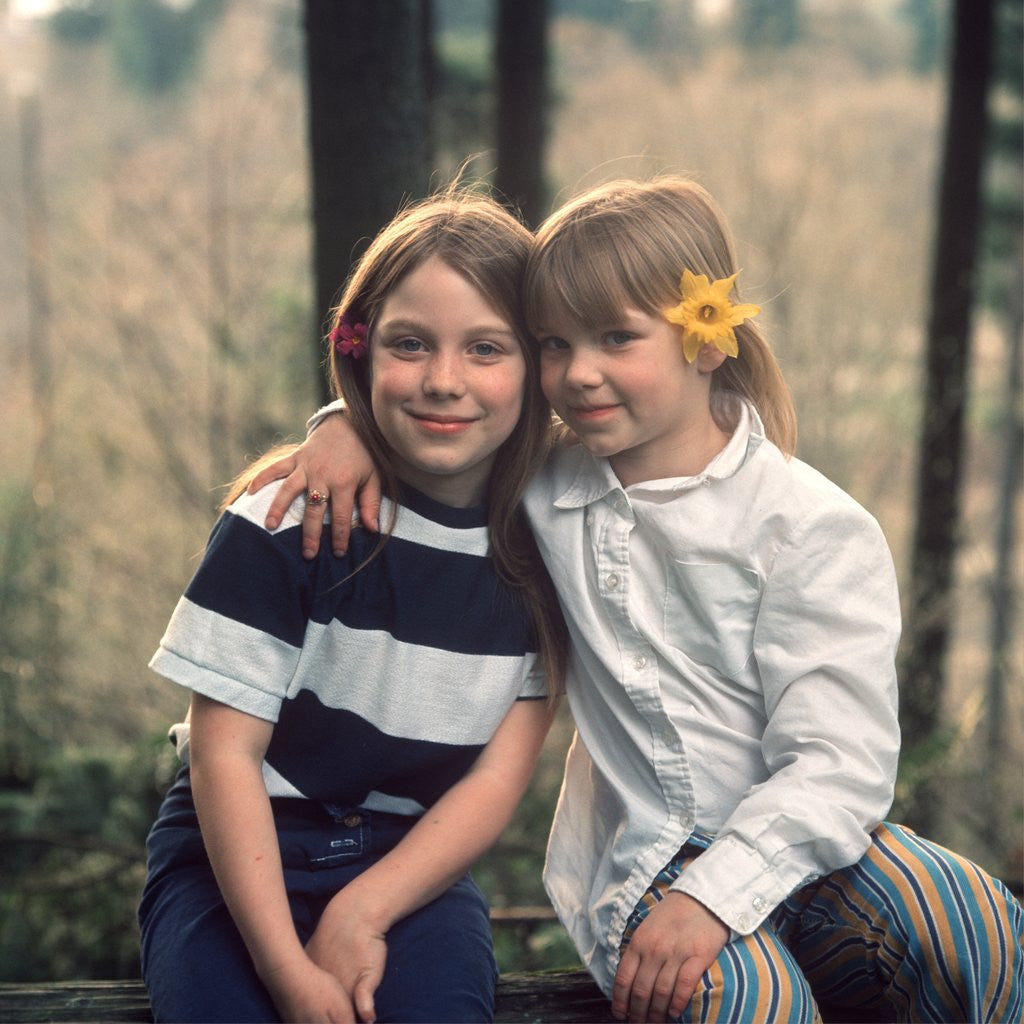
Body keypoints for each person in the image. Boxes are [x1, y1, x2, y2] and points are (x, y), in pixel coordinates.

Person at [250, 177, 1024, 1024]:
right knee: (750, 1004)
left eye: (617, 337)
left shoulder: (809, 528)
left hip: (807, 847)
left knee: (973, 922)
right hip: (651, 857)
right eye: (554, 343)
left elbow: (841, 765)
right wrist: (343, 424)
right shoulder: (536, 483)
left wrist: (718, 897)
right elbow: (441, 413)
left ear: (707, 340)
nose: (579, 373)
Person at [138, 187, 568, 1024]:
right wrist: (287, 974)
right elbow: (225, 758)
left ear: (538, 365)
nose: (443, 380)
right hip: (234, 856)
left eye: (486, 348)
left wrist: (365, 910)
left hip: (410, 868)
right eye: (410, 344)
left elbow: (496, 777)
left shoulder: (549, 545)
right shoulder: (289, 519)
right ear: (360, 350)